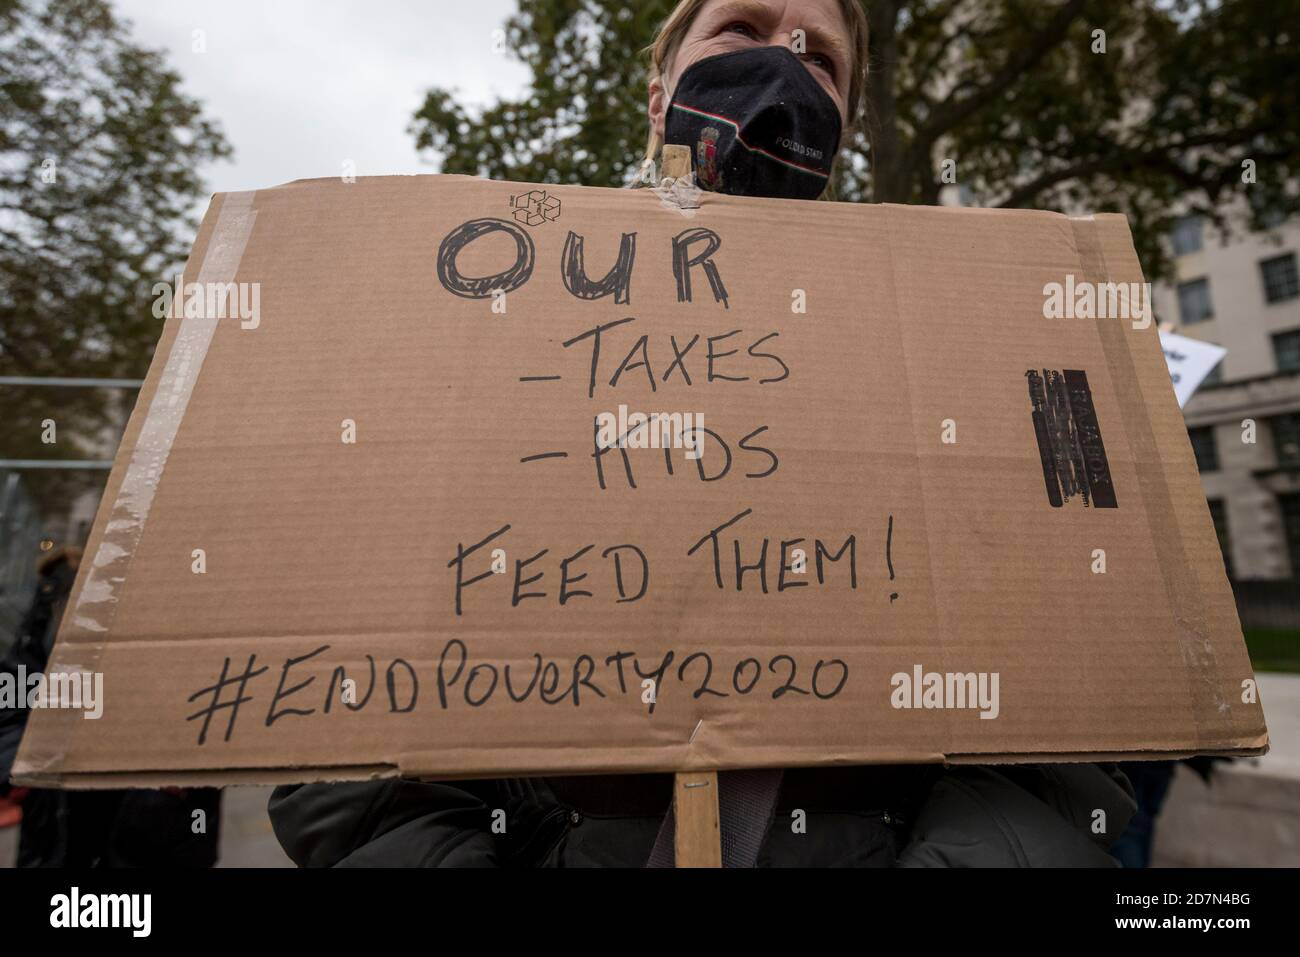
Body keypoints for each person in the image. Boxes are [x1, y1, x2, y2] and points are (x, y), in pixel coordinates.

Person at [269, 0, 1136, 867]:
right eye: (742, 29)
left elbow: (1063, 729)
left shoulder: (944, 344)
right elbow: (348, 750)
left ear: (842, 124)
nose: (782, 66)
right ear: (658, 95)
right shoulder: (497, 332)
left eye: (820, 59)